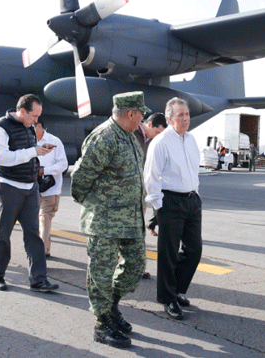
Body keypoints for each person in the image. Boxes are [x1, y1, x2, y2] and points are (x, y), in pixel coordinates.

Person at [71, 92, 150, 348]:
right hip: (104, 221)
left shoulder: (129, 137)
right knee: (101, 274)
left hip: (131, 220)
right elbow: (81, 178)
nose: (143, 119)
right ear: (131, 113)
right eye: (141, 114)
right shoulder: (104, 137)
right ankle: (102, 323)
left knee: (135, 267)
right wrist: (94, 207)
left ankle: (111, 307)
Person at [0, 94, 58, 293]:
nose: (36, 121)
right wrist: (33, 152)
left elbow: (26, 151)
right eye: (33, 116)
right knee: (4, 233)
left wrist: (39, 150)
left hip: (29, 186)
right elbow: (0, 158)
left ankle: (38, 279)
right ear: (22, 111)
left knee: (33, 235)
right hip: (8, 186)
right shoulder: (1, 128)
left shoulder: (28, 127)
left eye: (38, 117)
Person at [144, 97, 202, 321]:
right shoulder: (161, 142)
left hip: (191, 201)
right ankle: (168, 299)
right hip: (170, 202)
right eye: (181, 115)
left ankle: (176, 289)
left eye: (187, 114)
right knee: (168, 253)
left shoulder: (191, 140)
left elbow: (193, 171)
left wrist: (196, 195)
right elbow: (151, 177)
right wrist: (159, 207)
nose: (186, 118)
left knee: (194, 250)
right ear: (169, 119)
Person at [134, 112, 168, 270]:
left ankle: (136, 268)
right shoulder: (132, 133)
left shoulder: (154, 142)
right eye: (157, 132)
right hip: (127, 191)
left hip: (143, 191)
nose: (158, 136)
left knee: (139, 228)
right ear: (149, 125)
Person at [35, 117, 68, 258]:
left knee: (44, 218)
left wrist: (44, 170)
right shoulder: (27, 141)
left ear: (40, 126)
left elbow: (63, 165)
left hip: (50, 188)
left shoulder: (55, 141)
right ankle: (45, 248)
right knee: (36, 220)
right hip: (32, 187)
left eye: (34, 126)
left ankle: (40, 252)